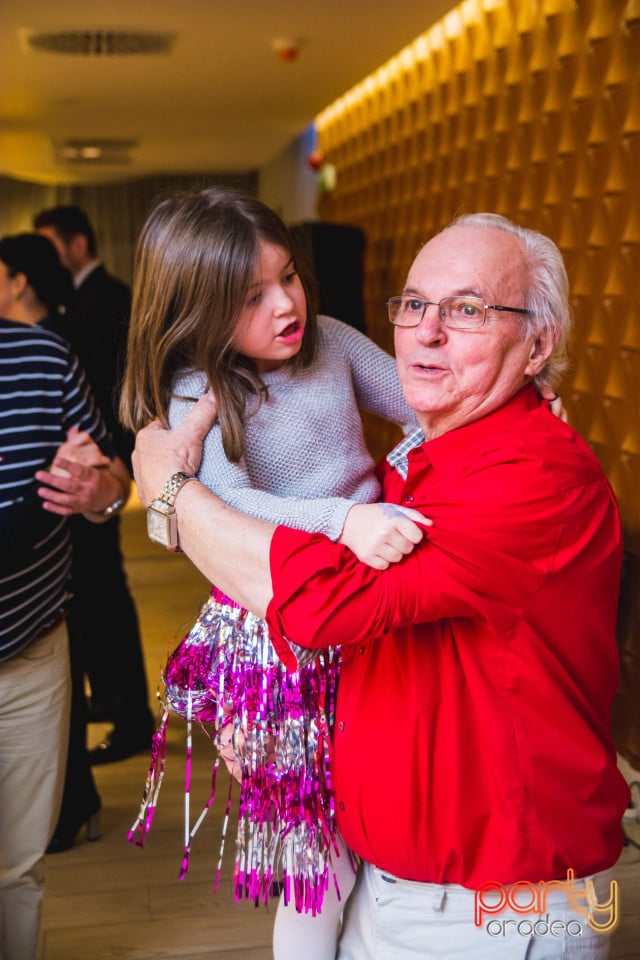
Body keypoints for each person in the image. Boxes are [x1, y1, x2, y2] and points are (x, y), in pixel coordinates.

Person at [124, 212, 629, 960]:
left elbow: (328, 603)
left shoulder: (525, 473)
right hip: (400, 887)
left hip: (494, 908)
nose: (427, 332)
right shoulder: (424, 463)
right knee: (309, 877)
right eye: (415, 304)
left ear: (539, 342)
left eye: (467, 310)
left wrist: (168, 494)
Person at [112, 185, 428, 958]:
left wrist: (407, 467)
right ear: (195, 310)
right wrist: (346, 517)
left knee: (375, 826)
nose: (286, 304)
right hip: (276, 636)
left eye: (288, 276)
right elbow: (236, 503)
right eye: (251, 297)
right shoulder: (199, 392)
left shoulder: (330, 339)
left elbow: (423, 407)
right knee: (316, 866)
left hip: (361, 606)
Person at [0, 234, 131, 960]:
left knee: (17, 866)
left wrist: (95, 492)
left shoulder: (42, 358)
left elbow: (112, 484)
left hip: (32, 655)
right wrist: (37, 503)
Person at [33, 204, 154, 776]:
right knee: (99, 594)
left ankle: (132, 716)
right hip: (96, 461)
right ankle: (113, 699)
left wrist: (108, 463)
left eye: (51, 246)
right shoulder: (80, 299)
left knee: (106, 593)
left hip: (107, 459)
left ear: (77, 244)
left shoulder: (107, 298)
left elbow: (114, 385)